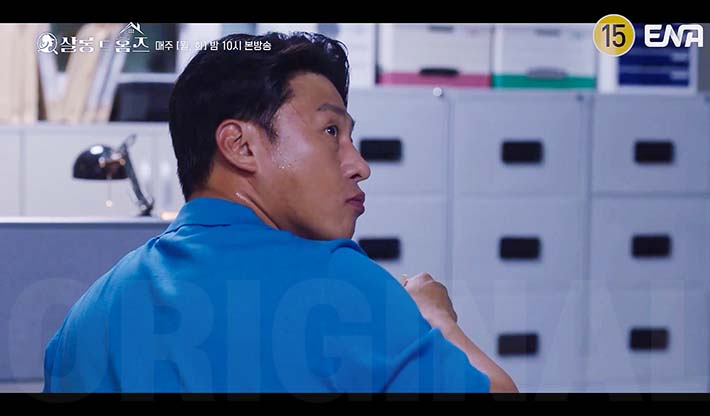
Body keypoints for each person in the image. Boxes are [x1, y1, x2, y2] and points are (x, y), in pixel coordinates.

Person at [43, 32, 517, 393]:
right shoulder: (345, 287)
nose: (359, 165)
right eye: (331, 132)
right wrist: (437, 319)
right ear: (241, 145)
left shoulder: (86, 320)